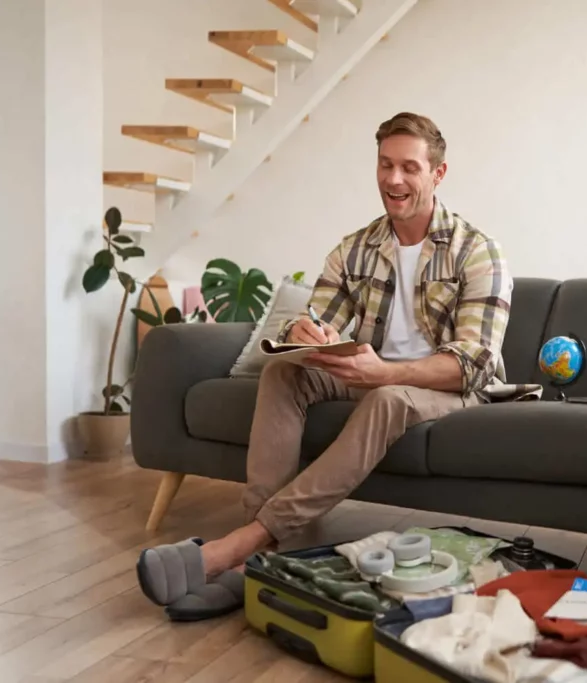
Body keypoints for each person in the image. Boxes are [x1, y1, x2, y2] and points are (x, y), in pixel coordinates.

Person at [137, 112, 513, 607]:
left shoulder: (478, 252)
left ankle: (239, 550)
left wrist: (384, 371)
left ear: (437, 174)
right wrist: (304, 331)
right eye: (385, 165)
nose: (393, 180)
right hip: (375, 373)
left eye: (409, 168)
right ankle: (262, 554)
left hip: (448, 388)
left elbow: (471, 365)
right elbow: (318, 317)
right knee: (283, 372)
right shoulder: (355, 249)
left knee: (386, 397)